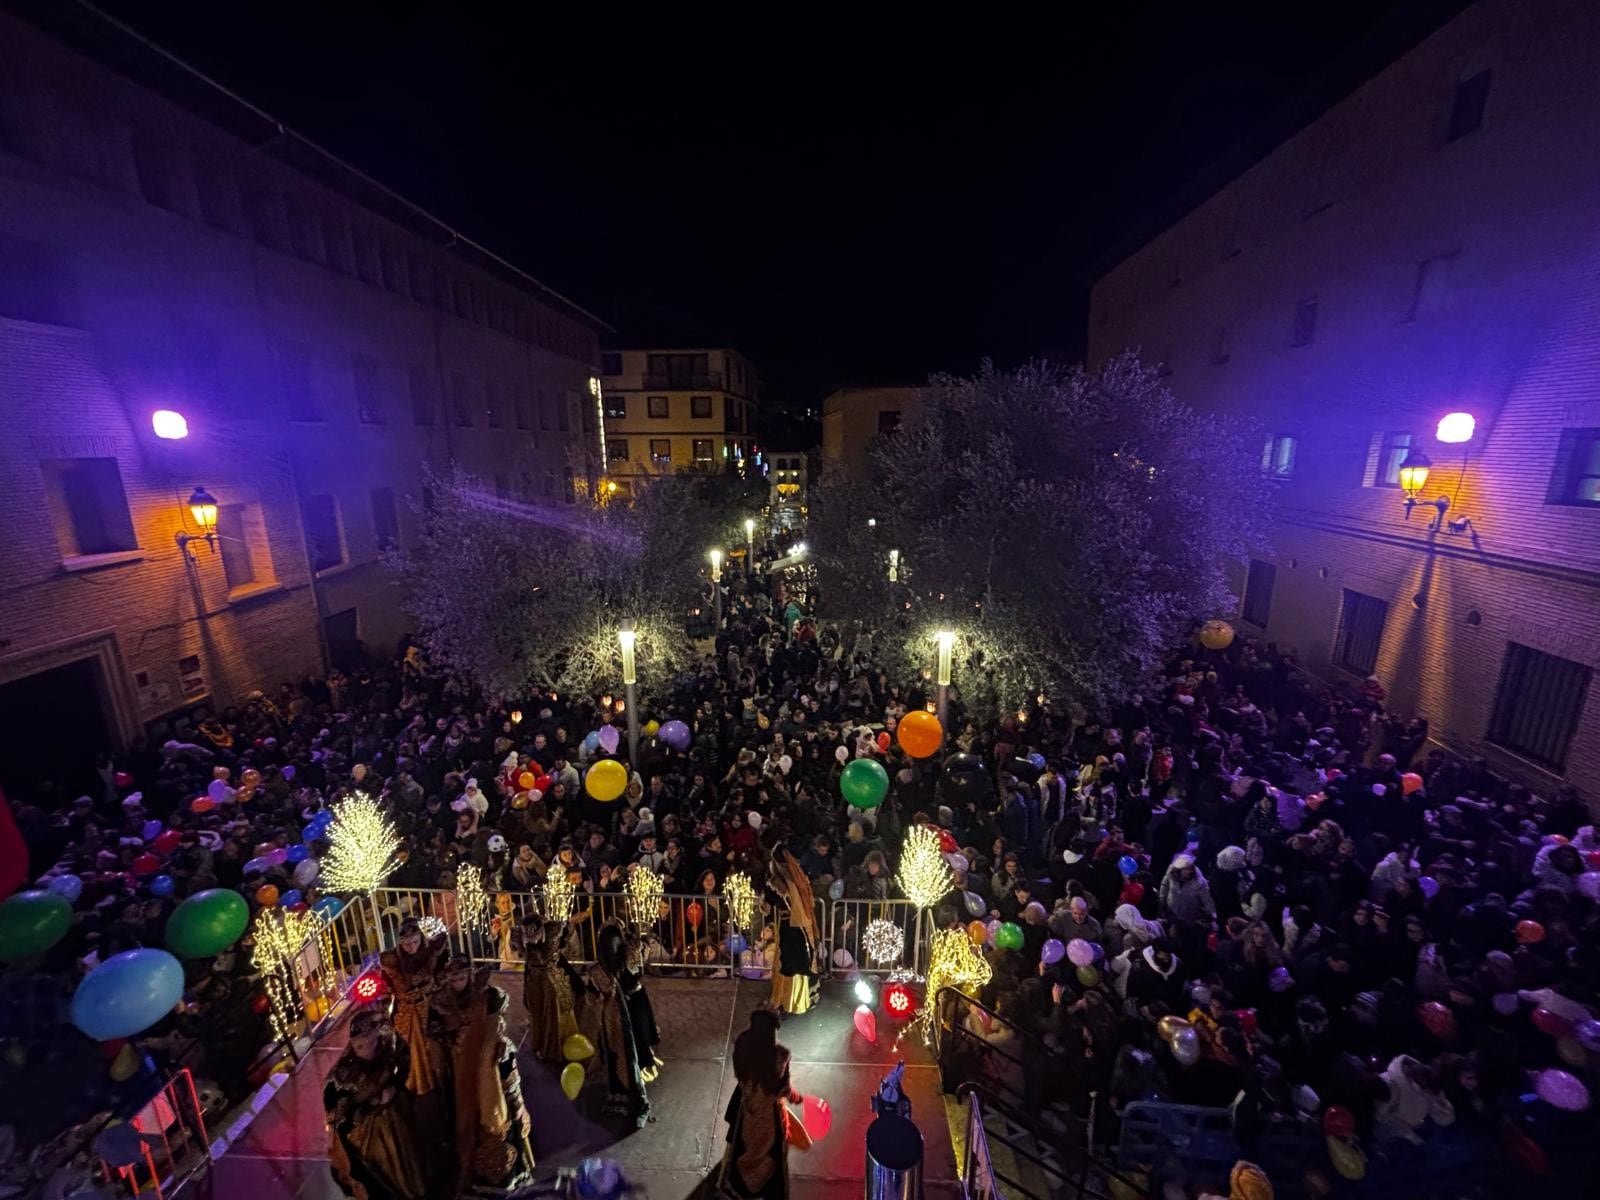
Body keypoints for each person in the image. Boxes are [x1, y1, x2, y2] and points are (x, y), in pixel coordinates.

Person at [324, 1008, 428, 1200]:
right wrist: (370, 1106)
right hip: (367, 1132)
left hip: (397, 1118)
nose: (368, 1049)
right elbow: (339, 1115)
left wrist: (395, 1088)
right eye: (361, 1046)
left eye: (372, 1042)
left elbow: (405, 1063)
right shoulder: (343, 1076)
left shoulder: (390, 1048)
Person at [716, 1007, 805, 1198]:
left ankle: (737, 1187)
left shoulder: (742, 1044)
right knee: (770, 1153)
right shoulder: (780, 1055)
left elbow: (739, 1074)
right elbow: (784, 1089)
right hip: (769, 1115)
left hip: (745, 1106)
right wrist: (797, 1098)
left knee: (741, 1145)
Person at [583, 920, 650, 1128]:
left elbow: (637, 975)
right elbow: (590, 998)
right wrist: (602, 1001)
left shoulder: (626, 958)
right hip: (608, 1021)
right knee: (613, 1059)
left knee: (628, 1061)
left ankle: (636, 1100)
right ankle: (617, 1096)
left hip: (628, 1021)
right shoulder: (597, 971)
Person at [379, 917, 448, 1100]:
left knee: (435, 1049)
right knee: (408, 1055)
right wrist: (383, 1015)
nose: (411, 946)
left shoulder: (431, 953)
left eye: (415, 941)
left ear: (420, 938)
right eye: (406, 943)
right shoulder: (393, 962)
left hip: (430, 1007)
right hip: (406, 1015)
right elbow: (386, 992)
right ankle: (413, 1091)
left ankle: (439, 1085)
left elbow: (442, 975)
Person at [521, 916, 581, 1063]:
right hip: (538, 980)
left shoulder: (552, 931)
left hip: (548, 979)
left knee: (552, 1013)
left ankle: (552, 1047)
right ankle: (544, 1046)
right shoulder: (525, 936)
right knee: (540, 1013)